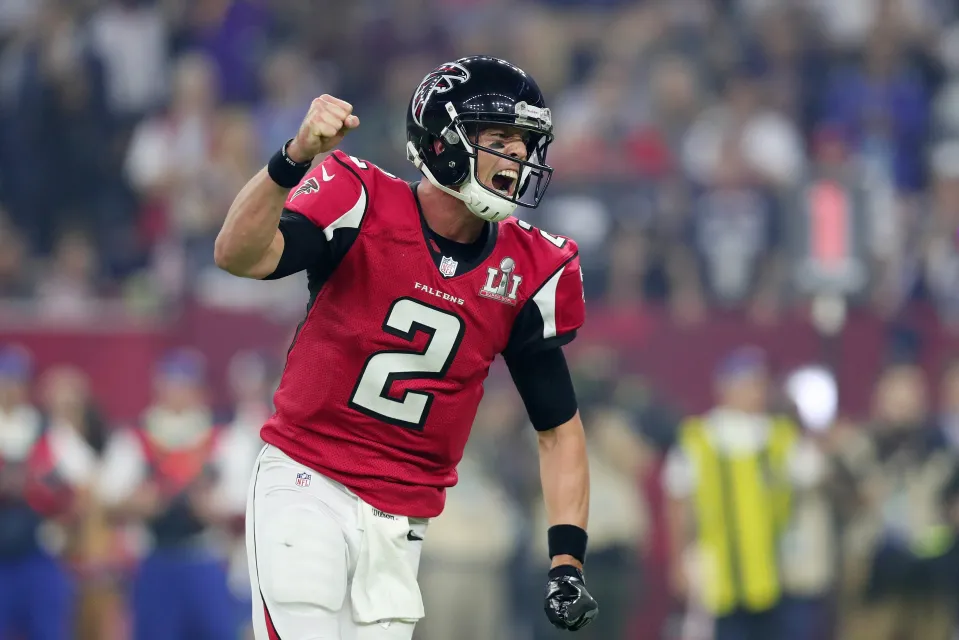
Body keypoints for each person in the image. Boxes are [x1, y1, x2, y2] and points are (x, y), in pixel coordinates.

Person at [214, 55, 598, 639]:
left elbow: (558, 428)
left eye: (525, 144)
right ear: (445, 140)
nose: (518, 158)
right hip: (307, 481)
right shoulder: (359, 199)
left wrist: (566, 561)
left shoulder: (527, 268)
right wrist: (292, 159)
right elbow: (238, 256)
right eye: (500, 139)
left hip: (401, 519)